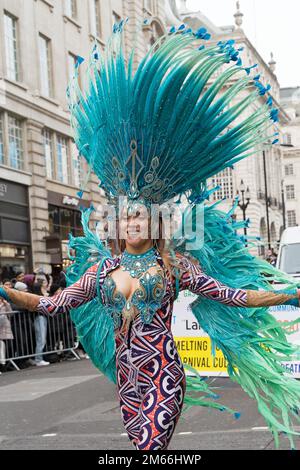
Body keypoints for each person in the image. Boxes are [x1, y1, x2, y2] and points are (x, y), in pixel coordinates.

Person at [0, 19, 300, 450]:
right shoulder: (102, 271)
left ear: (153, 224)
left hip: (163, 372)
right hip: (127, 376)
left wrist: (287, 295)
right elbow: (51, 304)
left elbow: (232, 295)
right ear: (120, 226)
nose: (133, 223)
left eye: (141, 217)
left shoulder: (176, 267)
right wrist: (7, 293)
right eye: (127, 219)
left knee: (153, 446)